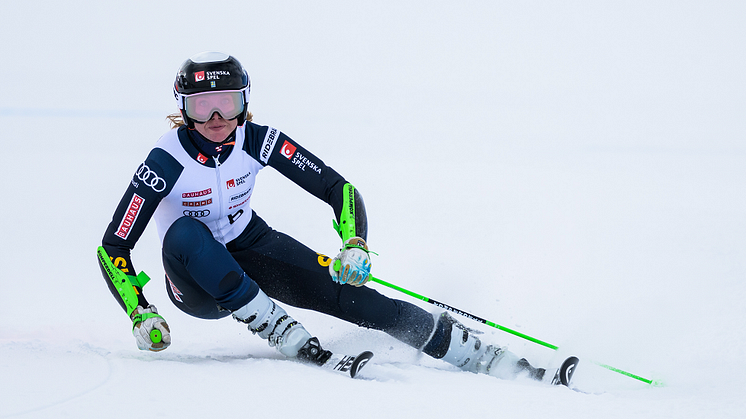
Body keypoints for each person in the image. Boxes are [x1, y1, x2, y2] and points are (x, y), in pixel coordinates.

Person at [97, 51, 554, 381]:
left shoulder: (259, 139)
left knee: (355, 297)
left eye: (229, 103)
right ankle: (277, 326)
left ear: (245, 102)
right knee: (184, 231)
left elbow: (340, 189)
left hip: (250, 247)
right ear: (183, 109)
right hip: (196, 282)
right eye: (202, 106)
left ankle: (476, 354)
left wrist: (354, 244)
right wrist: (140, 312)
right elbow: (113, 247)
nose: (217, 116)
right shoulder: (165, 160)